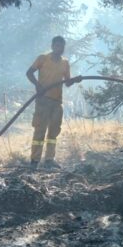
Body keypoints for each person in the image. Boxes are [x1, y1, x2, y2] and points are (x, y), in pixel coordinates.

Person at [26, 36, 78, 170]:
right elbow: (29, 73)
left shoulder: (65, 63)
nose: (59, 48)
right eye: (56, 46)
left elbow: (67, 83)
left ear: (63, 48)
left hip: (57, 102)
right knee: (40, 131)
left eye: (61, 46)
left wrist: (75, 80)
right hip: (43, 100)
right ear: (52, 46)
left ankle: (49, 159)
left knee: (54, 132)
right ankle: (34, 161)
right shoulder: (43, 58)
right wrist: (38, 85)